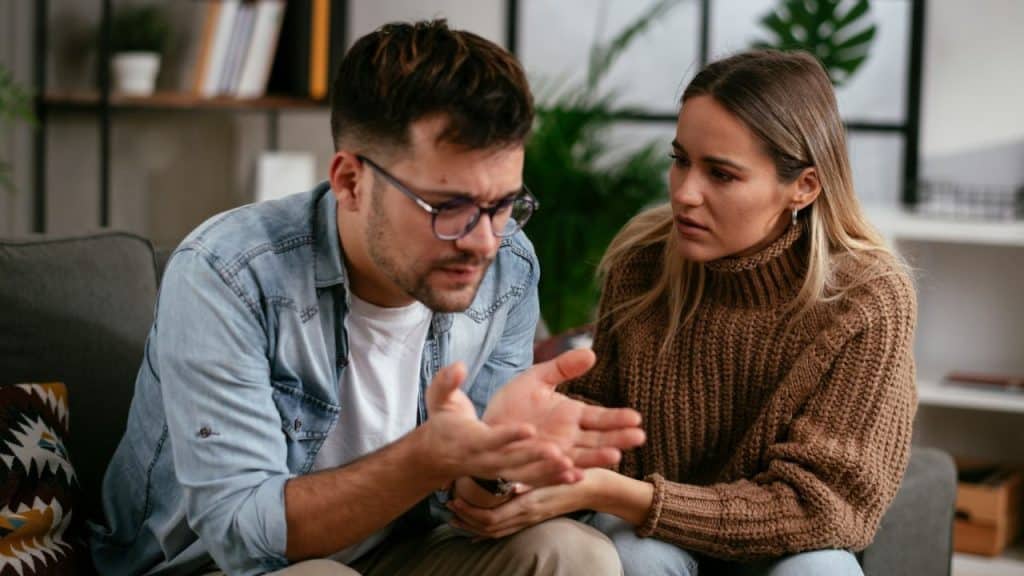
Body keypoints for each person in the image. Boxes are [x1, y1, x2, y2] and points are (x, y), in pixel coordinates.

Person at [88, 20, 645, 576]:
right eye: (447, 206)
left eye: (504, 204)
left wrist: (497, 467)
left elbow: (464, 491)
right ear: (351, 181)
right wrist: (431, 456)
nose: (483, 241)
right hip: (219, 567)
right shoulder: (227, 275)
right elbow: (241, 535)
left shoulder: (510, 265)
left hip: (400, 549)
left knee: (577, 556)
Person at [447, 49, 917, 576]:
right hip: (648, 539)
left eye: (721, 174)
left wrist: (627, 496)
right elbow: (592, 436)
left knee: (819, 572)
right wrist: (510, 467)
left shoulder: (867, 297)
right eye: (680, 160)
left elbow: (821, 508)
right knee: (634, 554)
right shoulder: (643, 264)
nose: (685, 193)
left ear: (803, 187)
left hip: (782, 551)